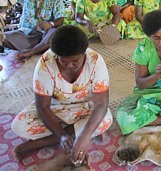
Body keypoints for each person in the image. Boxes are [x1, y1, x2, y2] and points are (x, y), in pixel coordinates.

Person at [11, 25, 112, 166]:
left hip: (83, 107)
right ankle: (71, 133)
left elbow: (101, 104)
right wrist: (62, 135)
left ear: (84, 53)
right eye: (63, 61)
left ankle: (37, 143)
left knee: (106, 118)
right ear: (55, 54)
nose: (69, 66)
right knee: (19, 126)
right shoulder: (46, 63)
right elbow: (43, 106)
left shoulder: (95, 61)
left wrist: (85, 136)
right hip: (55, 109)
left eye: (75, 61)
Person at [1, 0, 65, 61]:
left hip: (44, 35)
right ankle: (38, 49)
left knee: (56, 33)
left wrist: (50, 24)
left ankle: (31, 51)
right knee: (2, 37)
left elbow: (60, 19)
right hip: (25, 33)